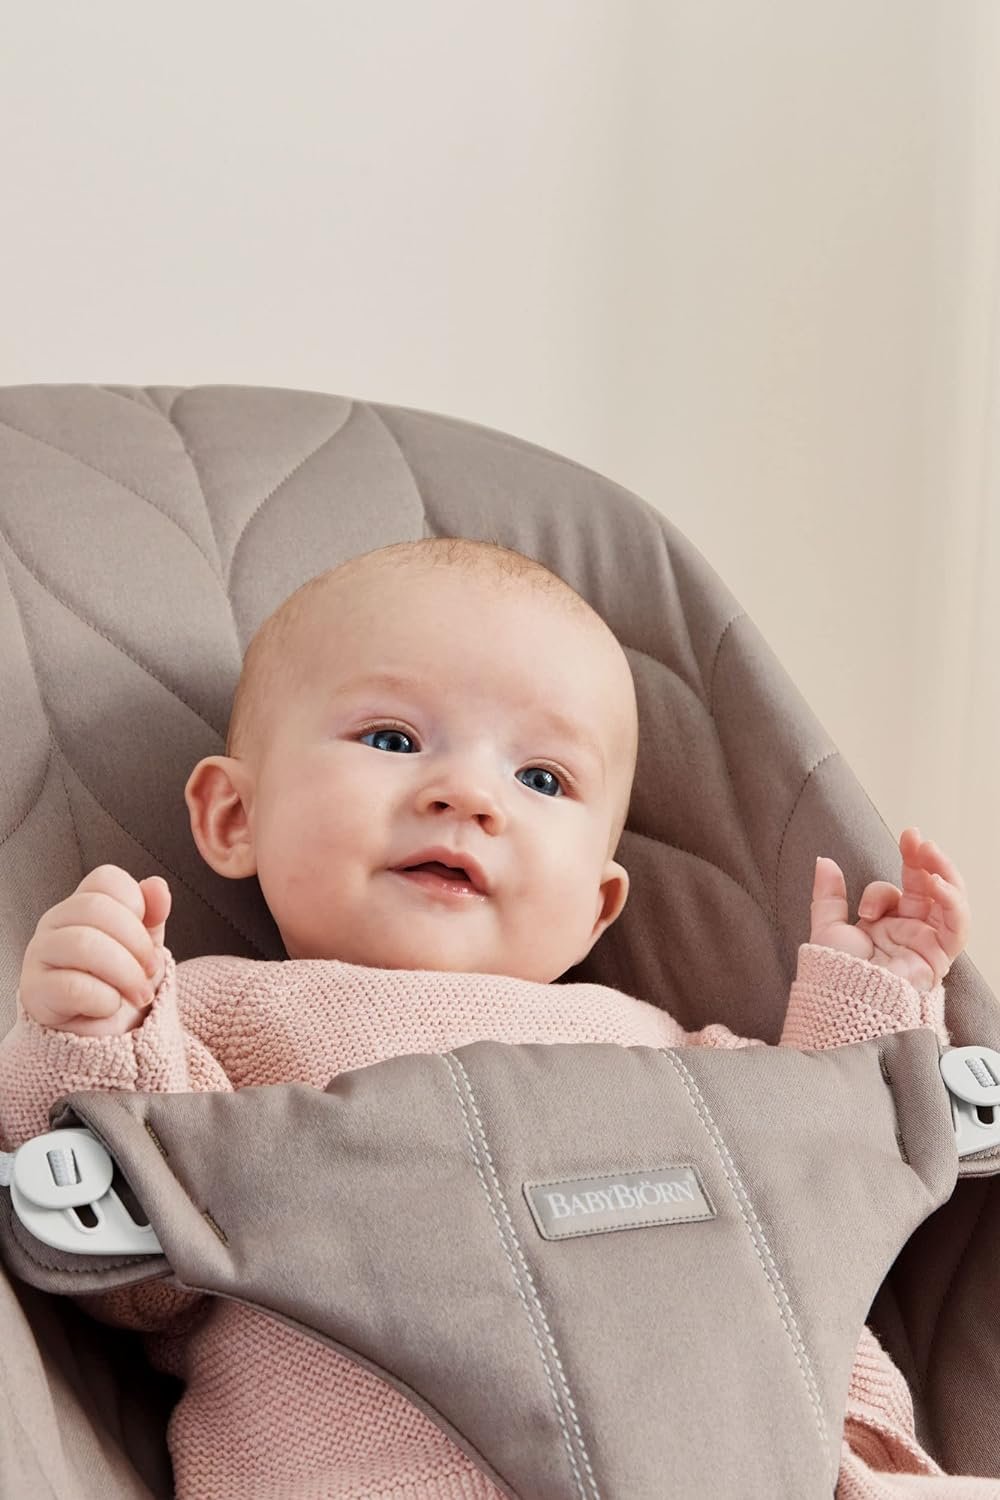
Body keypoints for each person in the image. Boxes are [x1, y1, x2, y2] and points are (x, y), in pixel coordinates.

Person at [0, 538, 988, 1500]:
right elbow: (133, 1278)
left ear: (595, 907)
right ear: (234, 818)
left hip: (777, 1458)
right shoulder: (215, 1012)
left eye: (541, 779)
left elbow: (820, 1171)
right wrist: (92, 1026)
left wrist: (871, 999)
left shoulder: (649, 1037)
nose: (468, 796)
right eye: (392, 739)